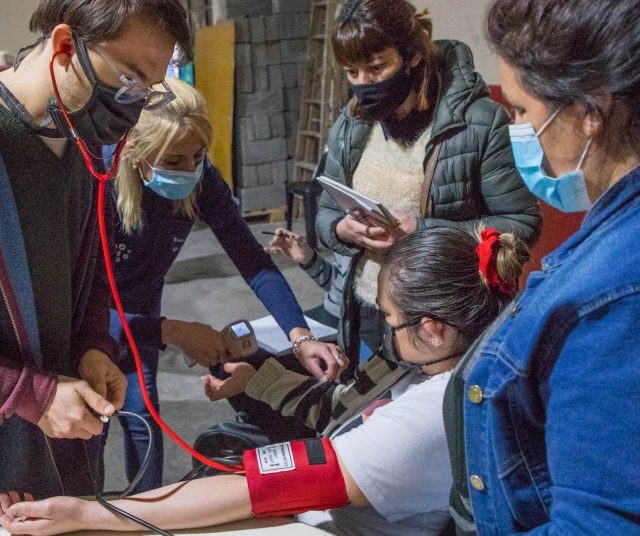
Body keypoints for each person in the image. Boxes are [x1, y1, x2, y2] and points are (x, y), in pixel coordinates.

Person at [0, 226, 529, 536]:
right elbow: (334, 407)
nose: (385, 332)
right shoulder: (444, 362)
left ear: (432, 328)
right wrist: (258, 378)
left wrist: (88, 512)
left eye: (390, 320)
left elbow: (258, 486)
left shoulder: (429, 416)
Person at [443, 1, 640, 534]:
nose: (516, 130)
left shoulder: (614, 300)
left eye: (521, 111)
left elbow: (598, 521)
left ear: (591, 112)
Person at [106, 78, 347, 492]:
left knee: (142, 413)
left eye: (197, 155)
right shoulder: (100, 188)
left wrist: (300, 335)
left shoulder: (202, 180)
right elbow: (74, 305)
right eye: (173, 160)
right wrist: (172, 331)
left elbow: (252, 259)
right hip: (87, 315)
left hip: (142, 305)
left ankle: (146, 508)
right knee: (89, 424)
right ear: (135, 154)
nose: (189, 170)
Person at [0, 0, 191, 498]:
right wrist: (32, 395)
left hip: (64, 447)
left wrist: (93, 345)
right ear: (66, 46)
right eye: (129, 80)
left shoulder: (80, 141)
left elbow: (88, 273)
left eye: (147, 91)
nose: (132, 107)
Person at [316, 0, 541, 364]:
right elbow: (326, 210)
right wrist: (342, 229)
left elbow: (521, 224)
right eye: (352, 72)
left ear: (412, 56)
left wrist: (420, 232)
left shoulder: (478, 123)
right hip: (369, 311)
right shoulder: (352, 124)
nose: (363, 85)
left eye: (376, 68)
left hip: (443, 325)